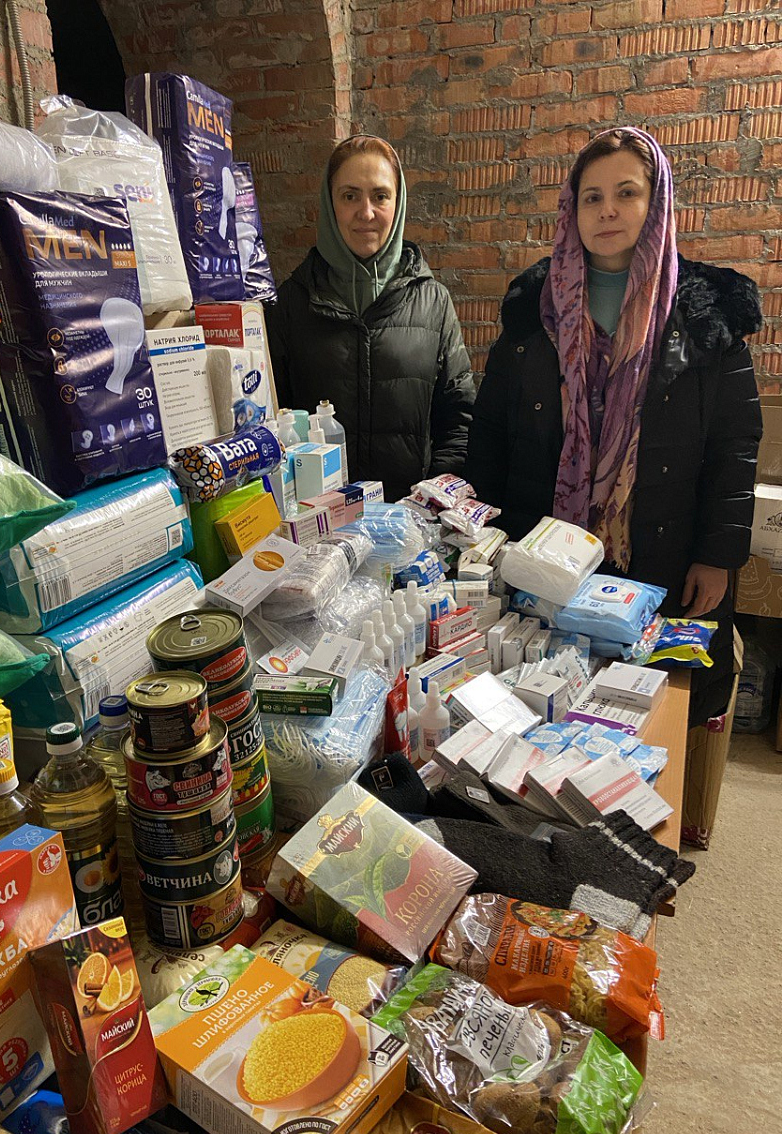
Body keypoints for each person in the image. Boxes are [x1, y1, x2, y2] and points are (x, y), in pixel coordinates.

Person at [465, 126, 762, 726]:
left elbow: (734, 446)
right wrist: (481, 539)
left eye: (626, 193)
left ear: (656, 202)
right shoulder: (533, 309)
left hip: (664, 552)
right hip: (545, 552)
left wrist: (717, 555)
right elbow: (491, 433)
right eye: (591, 197)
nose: (607, 211)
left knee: (655, 717)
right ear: (570, 209)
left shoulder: (707, 313)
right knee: (545, 711)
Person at [266, 135, 474, 500]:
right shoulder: (292, 304)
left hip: (410, 518)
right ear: (329, 204)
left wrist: (431, 502)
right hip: (318, 519)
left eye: (380, 196)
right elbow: (271, 422)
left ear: (398, 202)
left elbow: (458, 418)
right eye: (350, 196)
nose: (366, 213)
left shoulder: (433, 302)